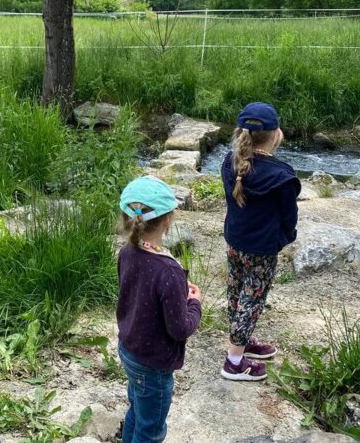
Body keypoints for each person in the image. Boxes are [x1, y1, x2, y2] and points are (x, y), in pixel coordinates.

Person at [117, 175, 203, 443]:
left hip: (129, 350)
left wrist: (176, 293)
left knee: (138, 411)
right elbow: (179, 329)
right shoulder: (169, 270)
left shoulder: (126, 252)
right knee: (151, 429)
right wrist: (194, 304)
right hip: (153, 364)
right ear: (167, 220)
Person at [220, 102, 300, 381]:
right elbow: (289, 218)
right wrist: (284, 239)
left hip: (235, 240)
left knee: (237, 290)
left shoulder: (229, 163)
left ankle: (241, 340)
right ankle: (234, 361)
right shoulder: (282, 176)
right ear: (276, 134)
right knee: (252, 299)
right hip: (262, 249)